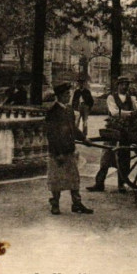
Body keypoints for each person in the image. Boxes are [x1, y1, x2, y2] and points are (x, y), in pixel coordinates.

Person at [87, 76, 137, 193]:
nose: (125, 87)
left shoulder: (132, 98)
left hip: (126, 130)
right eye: (122, 84)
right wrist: (131, 113)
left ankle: (121, 184)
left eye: (127, 84)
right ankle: (99, 183)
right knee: (106, 157)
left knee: (124, 158)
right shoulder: (111, 97)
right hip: (113, 129)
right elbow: (114, 112)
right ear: (118, 85)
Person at [46, 82, 93, 215]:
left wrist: (84, 139)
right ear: (60, 96)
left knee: (74, 178)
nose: (69, 96)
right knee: (56, 180)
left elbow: (73, 129)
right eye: (67, 94)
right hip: (58, 152)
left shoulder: (69, 110)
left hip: (69, 149)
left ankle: (77, 204)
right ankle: (55, 204)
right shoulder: (53, 111)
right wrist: (58, 153)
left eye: (69, 94)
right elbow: (51, 134)